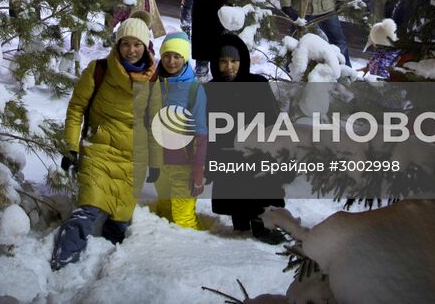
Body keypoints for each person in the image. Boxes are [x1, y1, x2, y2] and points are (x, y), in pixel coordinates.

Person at [51, 15, 158, 271]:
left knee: (119, 223)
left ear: (146, 46)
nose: (131, 50)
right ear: (117, 45)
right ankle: (61, 267)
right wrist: (71, 146)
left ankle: (108, 271)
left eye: (137, 44)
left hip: (132, 161)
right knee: (87, 209)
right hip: (99, 150)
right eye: (125, 44)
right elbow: (76, 108)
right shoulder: (99, 70)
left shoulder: (155, 80)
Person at [207, 32, 286, 243]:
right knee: (235, 197)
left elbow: (273, 118)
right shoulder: (211, 89)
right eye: (223, 61)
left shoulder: (257, 83)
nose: (229, 66)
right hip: (227, 154)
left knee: (260, 190)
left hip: (257, 151)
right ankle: (240, 220)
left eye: (234, 61)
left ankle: (263, 224)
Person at [146, 32, 207, 230]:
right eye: (167, 55)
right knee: (165, 213)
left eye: (177, 56)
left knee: (183, 220)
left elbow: (201, 132)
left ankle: (194, 257)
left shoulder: (194, 89)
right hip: (159, 163)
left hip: (184, 164)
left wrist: (198, 170)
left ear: (185, 58)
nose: (171, 61)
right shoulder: (152, 83)